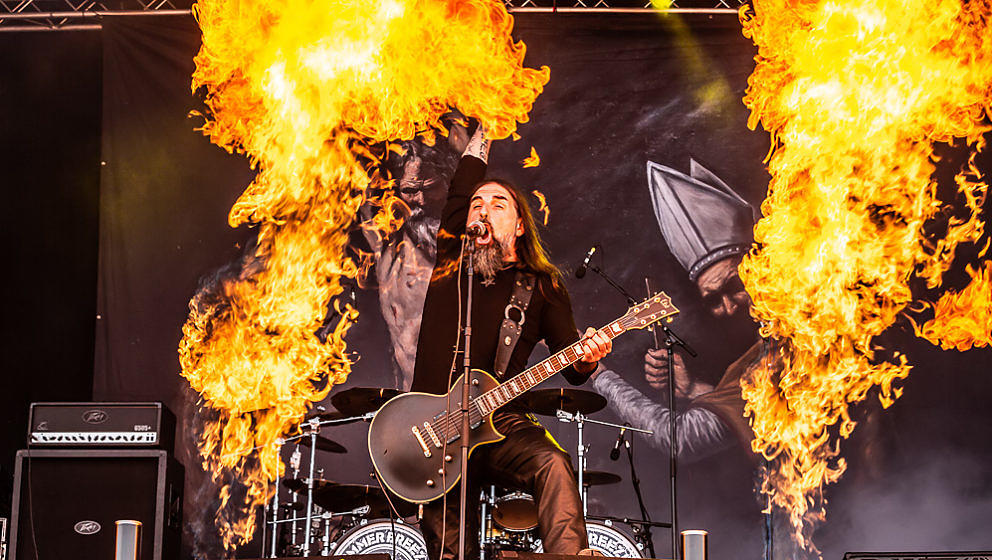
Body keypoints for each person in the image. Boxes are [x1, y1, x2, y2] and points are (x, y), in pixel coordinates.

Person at [411, 125, 613, 560]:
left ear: (519, 226)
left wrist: (590, 358)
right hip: (433, 432)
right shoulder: (451, 259)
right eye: (476, 204)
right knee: (449, 552)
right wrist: (485, 128)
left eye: (497, 204)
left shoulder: (541, 286)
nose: (482, 209)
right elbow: (464, 179)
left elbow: (573, 361)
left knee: (554, 465)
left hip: (501, 423)